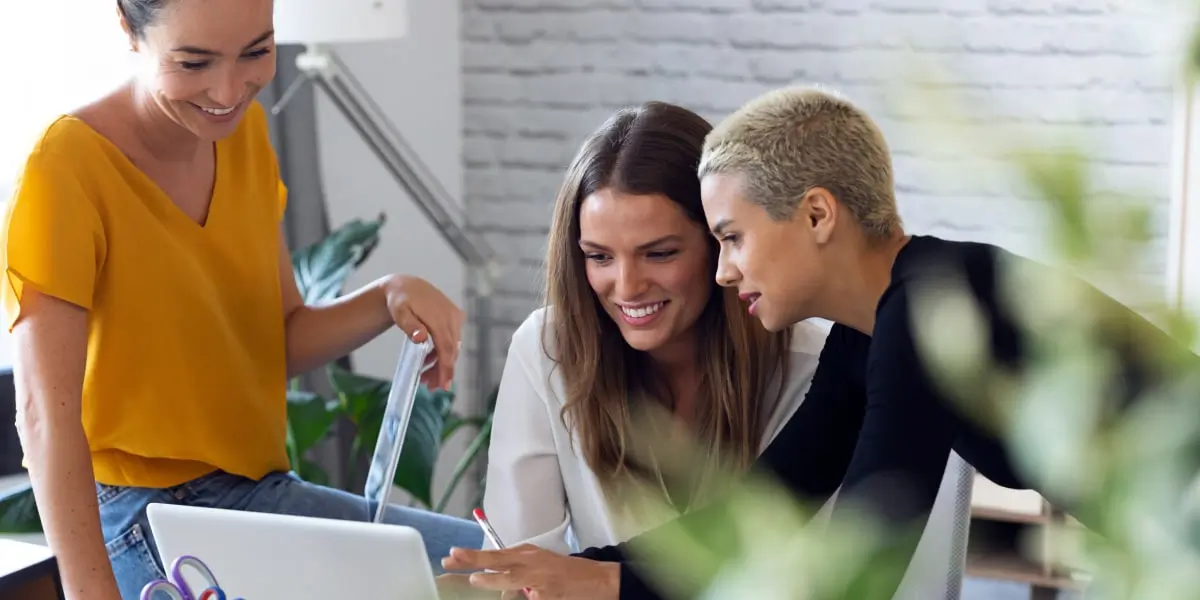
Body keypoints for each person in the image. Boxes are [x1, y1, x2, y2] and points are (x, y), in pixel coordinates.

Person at [442, 85, 1200, 599]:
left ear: (815, 216)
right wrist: (598, 576)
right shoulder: (872, 334)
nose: (727, 268)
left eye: (733, 237)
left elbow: (865, 560)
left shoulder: (927, 309)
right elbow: (769, 503)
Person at [1, 1, 481, 599]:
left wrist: (388, 297)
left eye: (256, 51)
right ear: (127, 28)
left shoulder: (242, 133)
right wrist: (90, 592)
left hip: (257, 494)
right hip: (145, 515)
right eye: (194, 62)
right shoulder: (65, 169)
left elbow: (276, 339)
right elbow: (46, 415)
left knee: (506, 572)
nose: (229, 90)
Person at [479, 101, 827, 558]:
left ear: (718, 245)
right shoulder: (548, 350)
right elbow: (519, 563)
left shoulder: (813, 369)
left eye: (659, 253)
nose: (627, 287)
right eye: (599, 257)